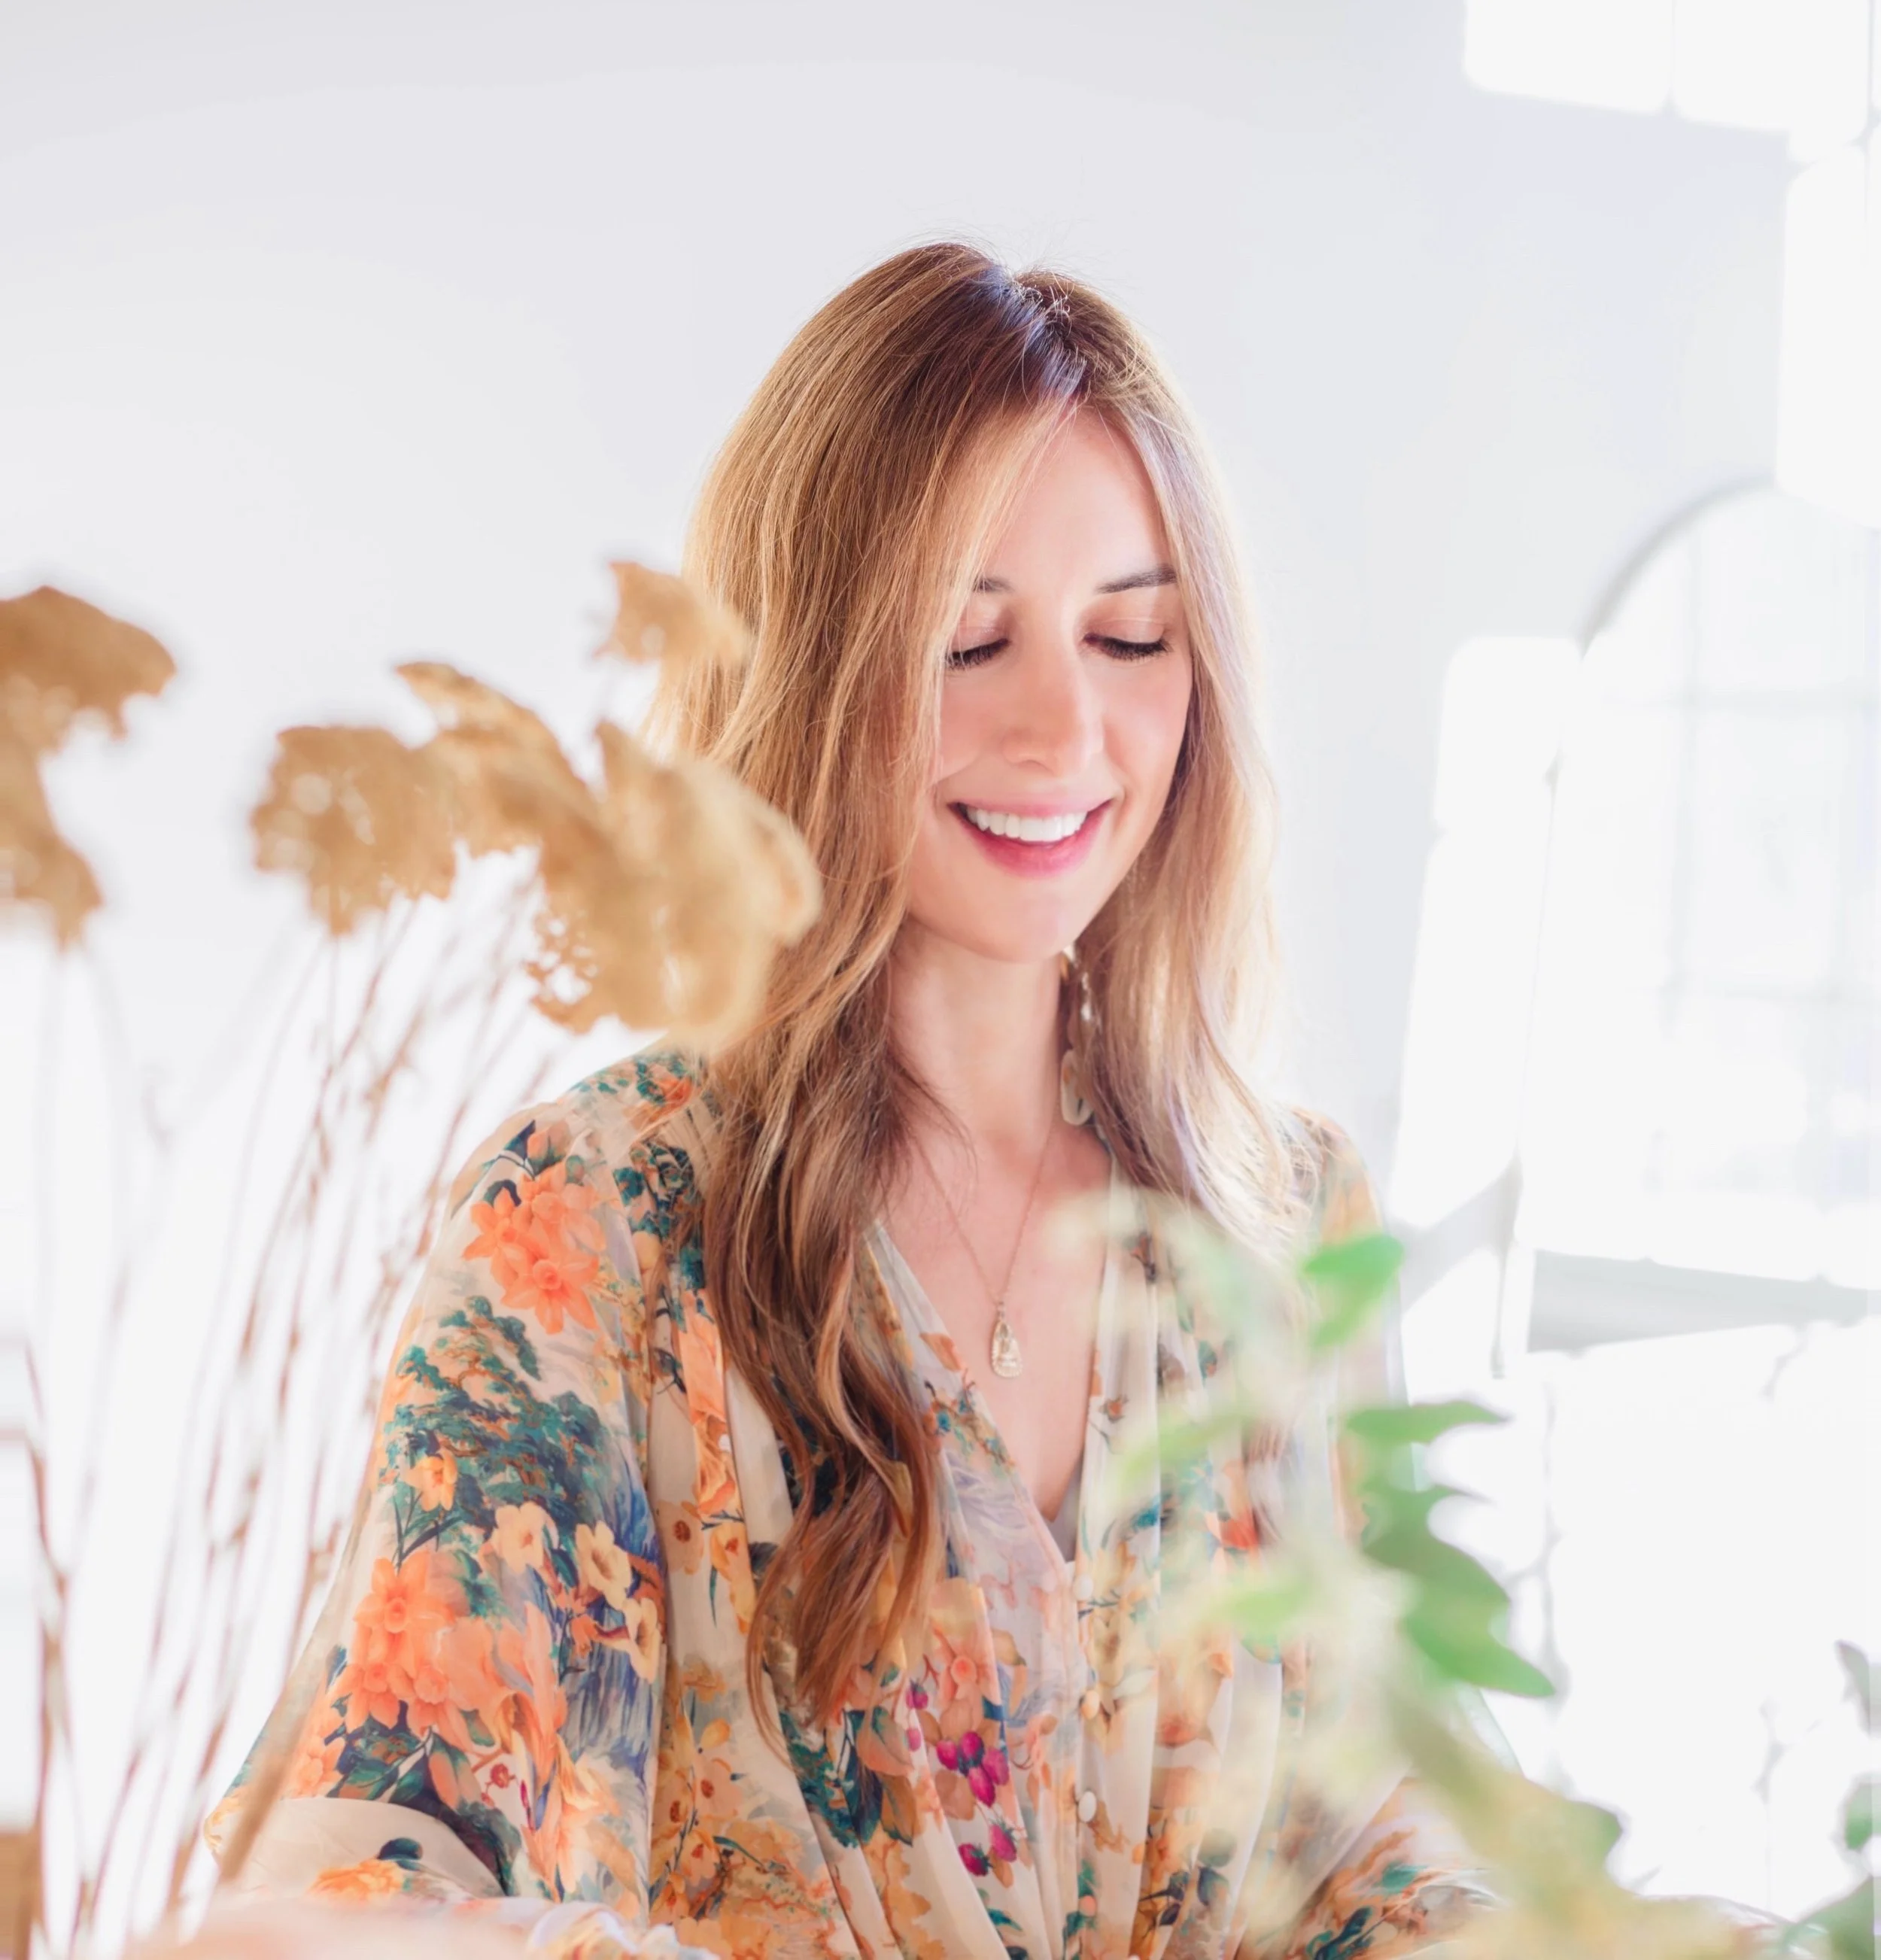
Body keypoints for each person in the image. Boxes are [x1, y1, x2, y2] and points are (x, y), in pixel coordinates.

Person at [209, 242, 1494, 1958]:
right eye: (967, 644)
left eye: (1130, 637)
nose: (1065, 729)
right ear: (807, 667)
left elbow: (1374, 1835)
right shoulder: (590, 1223)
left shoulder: (1287, 1218)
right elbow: (361, 1868)